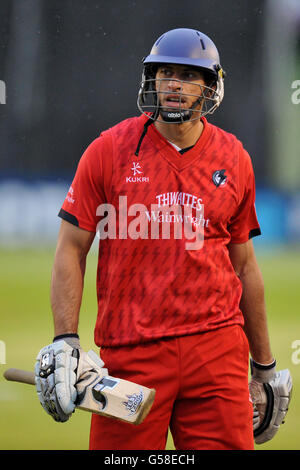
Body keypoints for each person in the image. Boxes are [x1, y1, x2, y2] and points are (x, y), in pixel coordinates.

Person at [34, 28, 292, 450]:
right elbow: (71, 248)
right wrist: (66, 341)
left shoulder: (235, 158)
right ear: (151, 80)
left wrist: (263, 367)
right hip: (131, 354)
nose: (174, 84)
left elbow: (244, 266)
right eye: (165, 73)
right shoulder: (107, 151)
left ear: (210, 86)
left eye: (188, 75)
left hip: (216, 351)